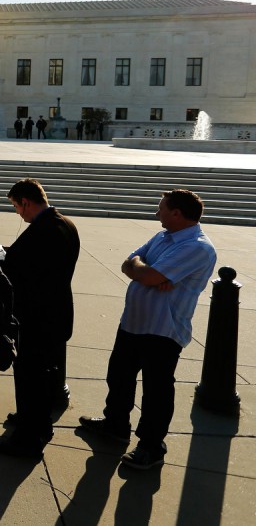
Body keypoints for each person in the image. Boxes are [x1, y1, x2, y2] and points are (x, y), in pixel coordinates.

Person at [78, 189, 216, 470]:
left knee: (156, 391)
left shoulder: (198, 247)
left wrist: (147, 273)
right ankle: (116, 424)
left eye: (161, 209)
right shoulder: (164, 236)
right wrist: (145, 272)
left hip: (162, 330)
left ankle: (151, 446)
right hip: (134, 322)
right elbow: (130, 261)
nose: (157, 213)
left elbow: (147, 273)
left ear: (176, 213)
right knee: (119, 376)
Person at [0, 178, 80, 459]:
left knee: (31, 375)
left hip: (38, 317)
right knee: (44, 375)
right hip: (56, 312)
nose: (18, 213)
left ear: (26, 202)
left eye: (17, 207)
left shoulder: (43, 230)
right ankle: (37, 422)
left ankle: (28, 439)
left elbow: (19, 269)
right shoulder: (65, 223)